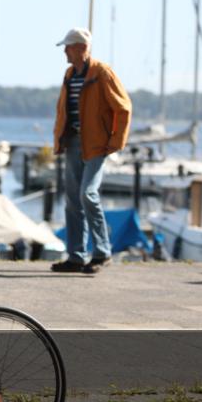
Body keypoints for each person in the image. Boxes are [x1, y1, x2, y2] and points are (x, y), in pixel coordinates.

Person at [50, 27, 132, 273]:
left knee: (88, 194)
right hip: (73, 142)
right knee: (72, 200)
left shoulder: (101, 73)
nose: (65, 50)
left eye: (68, 46)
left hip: (97, 143)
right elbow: (62, 109)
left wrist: (116, 141)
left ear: (82, 48)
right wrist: (59, 138)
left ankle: (102, 252)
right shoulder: (69, 73)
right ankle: (75, 256)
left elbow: (123, 107)